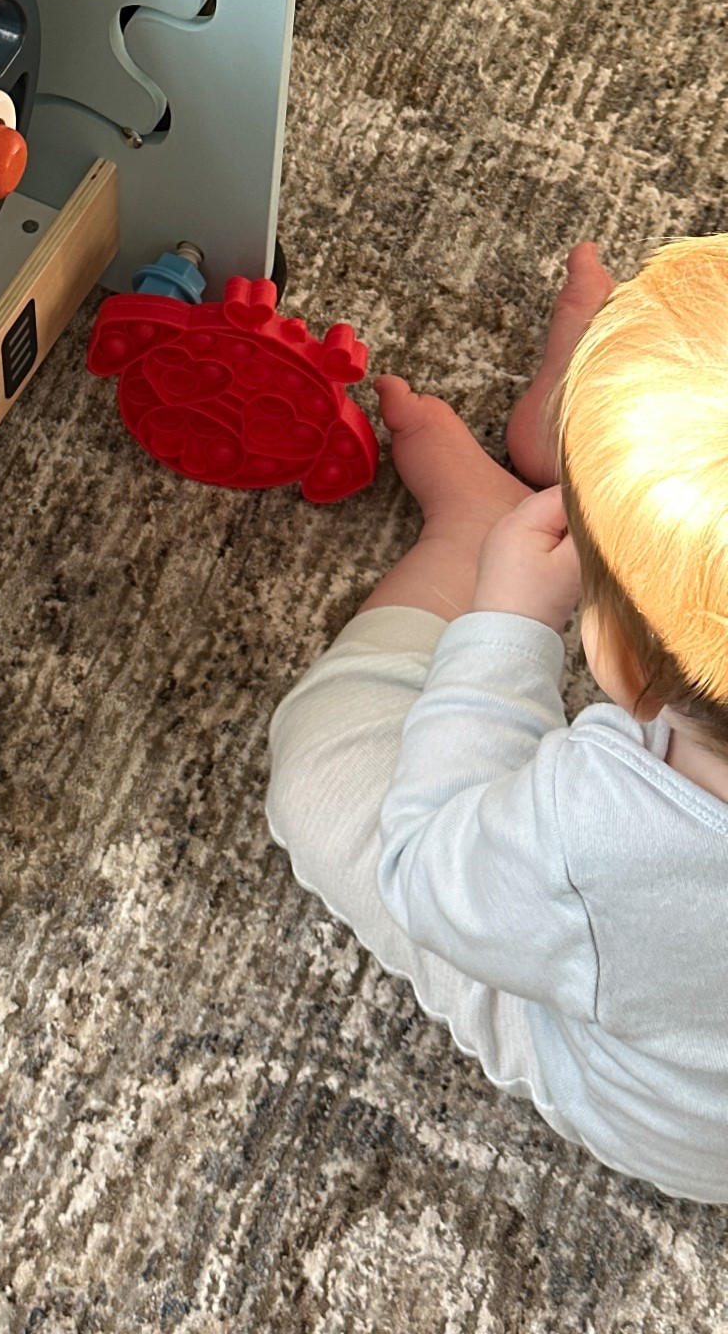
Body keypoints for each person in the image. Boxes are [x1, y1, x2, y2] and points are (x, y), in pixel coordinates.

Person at [268, 239, 728, 1203]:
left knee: (322, 766)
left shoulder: (599, 831)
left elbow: (431, 871)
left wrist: (506, 624)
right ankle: (573, 449)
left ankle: (484, 524)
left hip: (652, 1105)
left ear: (619, 661)